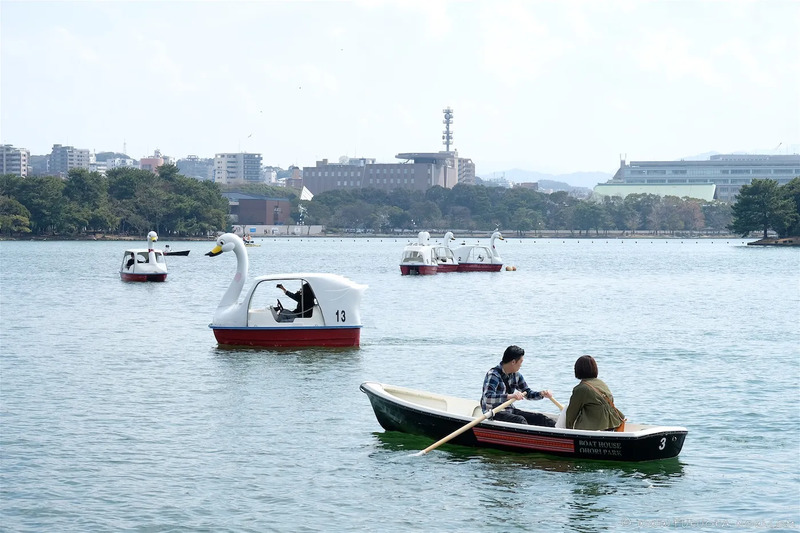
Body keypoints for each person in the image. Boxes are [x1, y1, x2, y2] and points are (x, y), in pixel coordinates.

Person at [481, 345, 556, 426]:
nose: (521, 365)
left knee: (541, 418)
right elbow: (487, 398)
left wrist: (541, 394)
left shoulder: (516, 375)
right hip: (494, 412)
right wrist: (510, 396)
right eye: (521, 362)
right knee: (520, 420)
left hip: (509, 410)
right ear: (513, 362)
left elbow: (528, 393)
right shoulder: (493, 375)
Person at [564, 355, 625, 431]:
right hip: (612, 424)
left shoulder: (581, 389)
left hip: (596, 427)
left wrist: (568, 430)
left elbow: (571, 413)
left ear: (577, 370)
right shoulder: (601, 383)